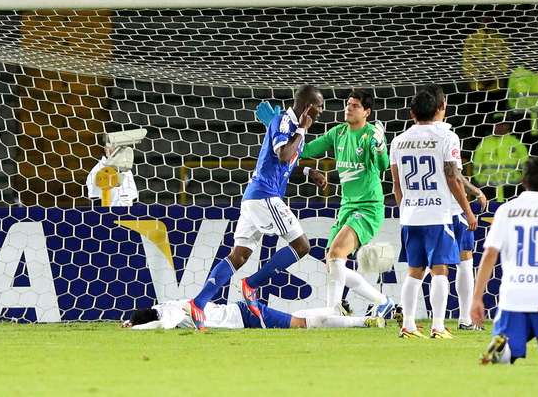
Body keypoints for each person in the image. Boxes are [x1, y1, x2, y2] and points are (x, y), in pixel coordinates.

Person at [186, 84, 326, 330]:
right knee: (302, 246)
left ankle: (198, 302)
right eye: (320, 107)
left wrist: (307, 170)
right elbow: (283, 154)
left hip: (255, 197)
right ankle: (251, 284)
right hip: (265, 196)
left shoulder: (290, 126)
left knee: (238, 255)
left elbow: (285, 163)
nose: (322, 112)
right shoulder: (286, 124)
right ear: (308, 107)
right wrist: (302, 130)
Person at [257, 89, 395, 318]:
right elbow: (301, 151)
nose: (348, 108)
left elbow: (382, 165)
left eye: (355, 106)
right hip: (347, 206)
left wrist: (381, 145)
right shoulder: (337, 133)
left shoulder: (371, 134)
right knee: (332, 262)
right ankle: (382, 301)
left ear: (367, 112)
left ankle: (333, 311)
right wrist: (275, 128)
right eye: (348, 104)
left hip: (368, 206)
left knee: (337, 254)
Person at [470, 157, 538, 366]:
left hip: (513, 298)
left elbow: (489, 256)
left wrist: (477, 298)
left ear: (522, 181)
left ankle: (503, 349)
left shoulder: (506, 211)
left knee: (508, 350)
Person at [390, 86, 477, 339]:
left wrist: (405, 209)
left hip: (410, 214)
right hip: (437, 214)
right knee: (440, 269)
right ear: (439, 110)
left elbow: (396, 184)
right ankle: (438, 327)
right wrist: (467, 211)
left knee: (414, 271)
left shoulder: (398, 141)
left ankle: (408, 325)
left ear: (411, 113)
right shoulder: (446, 137)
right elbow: (453, 178)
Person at [123, 299, 385, 330]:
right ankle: (334, 310)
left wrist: (134, 328)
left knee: (300, 325)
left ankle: (365, 321)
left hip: (245, 316)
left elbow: (166, 325)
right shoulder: (166, 304)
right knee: (294, 317)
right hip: (242, 313)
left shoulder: (168, 311)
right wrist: (132, 320)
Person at [472, 113, 529, 202]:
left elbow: (526, 166)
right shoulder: (483, 144)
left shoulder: (516, 143)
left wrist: (520, 181)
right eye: (496, 124)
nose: (498, 126)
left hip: (512, 188)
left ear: (508, 126)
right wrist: (480, 182)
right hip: (488, 189)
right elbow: (476, 167)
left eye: (502, 124)